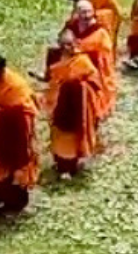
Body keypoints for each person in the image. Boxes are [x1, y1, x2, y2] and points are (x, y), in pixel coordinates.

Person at [0, 55, 40, 214]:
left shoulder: (16, 86)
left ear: (1, 70)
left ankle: (14, 202)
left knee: (12, 170)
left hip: (14, 133)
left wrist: (3, 115)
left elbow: (27, 112)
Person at [39, 30, 102, 178]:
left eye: (71, 43)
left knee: (72, 134)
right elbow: (50, 76)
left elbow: (95, 81)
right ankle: (59, 161)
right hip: (57, 100)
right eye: (65, 44)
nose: (69, 47)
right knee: (58, 131)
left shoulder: (82, 60)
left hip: (76, 103)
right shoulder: (55, 57)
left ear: (75, 43)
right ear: (60, 45)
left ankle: (71, 165)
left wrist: (78, 86)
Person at [68, 0, 118, 117]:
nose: (86, 16)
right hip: (73, 63)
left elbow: (105, 52)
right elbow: (63, 40)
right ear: (76, 13)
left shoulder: (100, 31)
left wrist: (84, 52)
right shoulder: (72, 26)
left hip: (94, 68)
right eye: (83, 12)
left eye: (89, 12)